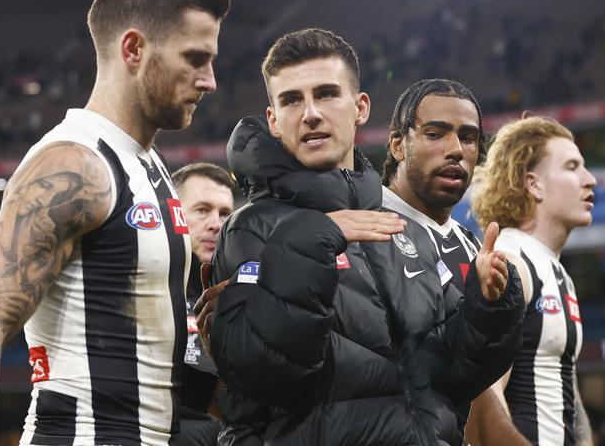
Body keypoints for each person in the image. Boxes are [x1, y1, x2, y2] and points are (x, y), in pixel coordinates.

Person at [204, 28, 524, 445]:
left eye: (326, 94)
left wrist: (488, 307)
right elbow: (266, 376)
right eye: (291, 100)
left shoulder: (399, 225)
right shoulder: (251, 228)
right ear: (273, 121)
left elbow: (449, 379)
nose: (311, 113)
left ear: (360, 108)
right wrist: (308, 243)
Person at [0, 0, 230, 445]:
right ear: (133, 49)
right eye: (194, 58)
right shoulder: (72, 165)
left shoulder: (148, 162)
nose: (209, 80)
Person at [381, 78, 532, 445]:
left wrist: (491, 307)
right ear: (398, 144)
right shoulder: (363, 229)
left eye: (468, 138)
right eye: (435, 134)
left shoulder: (472, 249)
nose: (455, 150)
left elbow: (472, 385)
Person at [470, 116, 595, 446]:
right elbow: (482, 396)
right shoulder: (513, 261)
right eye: (572, 167)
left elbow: (568, 393)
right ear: (533, 184)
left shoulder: (557, 272)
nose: (589, 179)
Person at [171, 162, 235, 445]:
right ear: (172, 213)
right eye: (202, 210)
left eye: (225, 213)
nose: (216, 223)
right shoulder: (137, 284)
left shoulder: (238, 294)